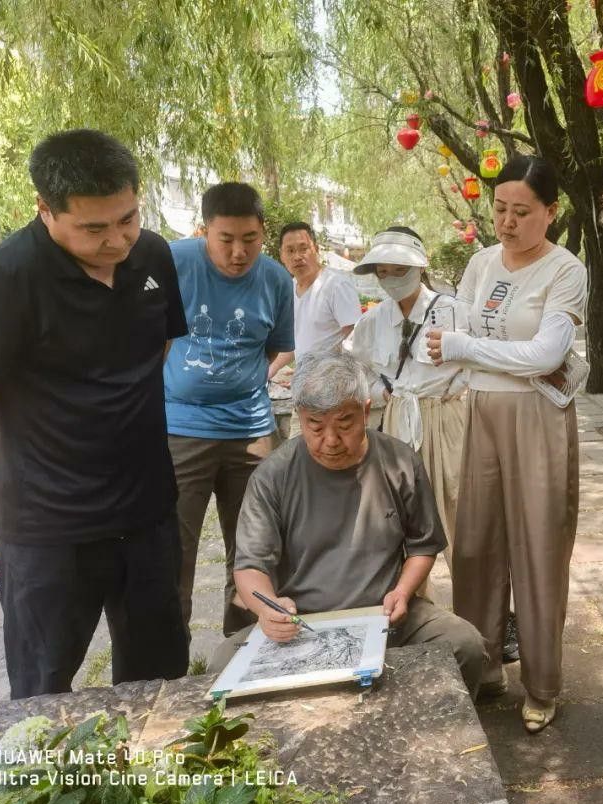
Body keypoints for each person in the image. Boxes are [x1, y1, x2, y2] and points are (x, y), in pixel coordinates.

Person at [0, 129, 189, 698]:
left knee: (161, 678)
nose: (117, 240)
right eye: (94, 228)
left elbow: (158, 348)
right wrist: (31, 458)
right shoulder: (5, 278)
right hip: (49, 528)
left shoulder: (153, 255)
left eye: (127, 218)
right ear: (45, 211)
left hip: (147, 510)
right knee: (43, 689)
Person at [209, 352, 487, 695]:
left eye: (344, 424)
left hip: (384, 619)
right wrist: (269, 608)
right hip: (302, 626)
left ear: (366, 412)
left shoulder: (399, 462)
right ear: (299, 417)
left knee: (465, 645)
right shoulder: (273, 475)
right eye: (315, 426)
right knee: (221, 664)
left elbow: (422, 546)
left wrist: (402, 591)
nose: (331, 440)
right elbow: (249, 567)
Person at [427, 154, 589, 732]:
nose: (507, 222)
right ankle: (482, 664)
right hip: (483, 412)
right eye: (499, 209)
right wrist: (469, 349)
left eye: (522, 211)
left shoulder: (565, 270)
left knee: (538, 546)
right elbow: (451, 337)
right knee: (475, 543)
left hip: (538, 418)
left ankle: (542, 684)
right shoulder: (480, 263)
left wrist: (470, 348)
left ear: (551, 212)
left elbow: (545, 356)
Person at [164, 182, 295, 637]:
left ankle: (244, 644)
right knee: (174, 550)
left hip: (251, 430)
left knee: (256, 548)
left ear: (263, 232)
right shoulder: (174, 262)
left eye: (250, 239)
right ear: (204, 232)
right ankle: (169, 656)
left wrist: (248, 382)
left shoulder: (276, 279)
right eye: (226, 239)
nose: (239, 252)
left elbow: (278, 348)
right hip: (181, 428)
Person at [346, 226, 467, 567]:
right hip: (397, 421)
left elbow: (476, 362)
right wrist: (379, 392)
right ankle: (410, 605)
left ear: (420, 266)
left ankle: (479, 609)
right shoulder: (371, 321)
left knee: (459, 510)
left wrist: (455, 391)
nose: (391, 279)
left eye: (400, 270)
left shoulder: (454, 312)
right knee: (398, 518)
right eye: (383, 272)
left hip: (446, 418)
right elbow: (356, 366)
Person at [278, 222, 361, 360]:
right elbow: (295, 344)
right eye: (290, 251)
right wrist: (268, 371)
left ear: (316, 250)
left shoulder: (336, 286)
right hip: (305, 377)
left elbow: (356, 340)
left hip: (333, 377)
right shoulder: (289, 289)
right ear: (281, 256)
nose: (297, 256)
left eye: (303, 249)